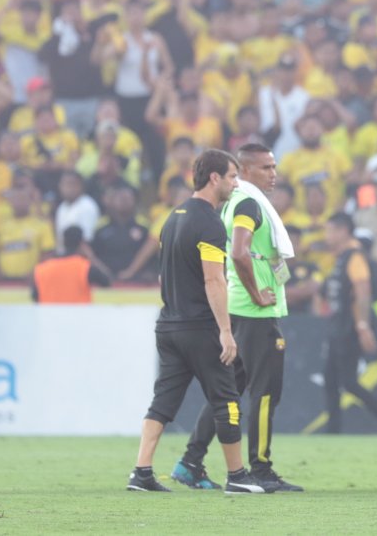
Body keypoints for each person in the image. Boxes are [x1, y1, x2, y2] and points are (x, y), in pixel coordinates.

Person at [127, 149, 269, 494]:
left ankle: (141, 472)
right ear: (214, 178)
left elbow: (166, 275)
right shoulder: (209, 223)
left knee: (162, 402)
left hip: (169, 325)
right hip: (199, 327)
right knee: (227, 400)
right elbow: (213, 280)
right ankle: (237, 476)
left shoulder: (172, 218)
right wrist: (224, 331)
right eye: (233, 177)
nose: (237, 184)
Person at [173, 143, 302, 493]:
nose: (273, 174)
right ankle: (260, 469)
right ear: (244, 171)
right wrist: (259, 293)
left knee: (228, 391)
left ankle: (190, 461)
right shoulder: (248, 202)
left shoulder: (234, 201)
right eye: (265, 168)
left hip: (238, 308)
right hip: (256, 311)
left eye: (274, 167)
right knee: (264, 392)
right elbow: (240, 251)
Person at [321, 212, 377, 434]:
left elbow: (363, 291)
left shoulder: (355, 256)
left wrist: (362, 327)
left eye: (330, 230)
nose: (327, 236)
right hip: (339, 326)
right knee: (330, 380)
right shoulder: (343, 256)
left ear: (342, 230)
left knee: (348, 382)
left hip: (349, 328)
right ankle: (333, 430)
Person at [31, 225, 110, 303]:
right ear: (82, 243)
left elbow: (35, 297)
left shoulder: (42, 268)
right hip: (78, 315)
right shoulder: (85, 267)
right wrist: (92, 257)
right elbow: (107, 282)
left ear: (63, 242)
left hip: (49, 315)